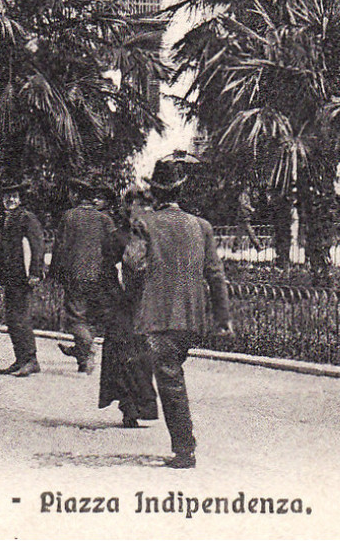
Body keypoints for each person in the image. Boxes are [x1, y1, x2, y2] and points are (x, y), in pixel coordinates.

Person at [123, 154, 232, 469]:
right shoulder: (202, 226)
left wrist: (135, 292)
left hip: (159, 315)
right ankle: (185, 443)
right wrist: (222, 318)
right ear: (180, 191)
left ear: (155, 193)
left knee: (169, 377)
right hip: (193, 317)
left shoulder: (144, 224)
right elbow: (216, 275)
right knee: (172, 370)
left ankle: (185, 449)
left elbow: (132, 263)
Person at [99, 188, 158, 428]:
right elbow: (105, 270)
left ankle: (142, 406)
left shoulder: (154, 236)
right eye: (137, 206)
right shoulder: (118, 237)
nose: (142, 211)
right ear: (128, 208)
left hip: (148, 305)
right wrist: (117, 296)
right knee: (123, 355)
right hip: (124, 305)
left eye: (146, 206)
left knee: (143, 356)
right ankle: (128, 407)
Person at [49, 180, 117, 373]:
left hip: (75, 276)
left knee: (76, 319)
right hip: (99, 277)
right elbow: (113, 250)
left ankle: (87, 349)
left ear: (76, 196)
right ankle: (82, 355)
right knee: (91, 318)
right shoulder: (105, 220)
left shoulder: (69, 216)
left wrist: (54, 274)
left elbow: (59, 248)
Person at [0, 181, 46, 376]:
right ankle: (20, 359)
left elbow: (38, 246)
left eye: (14, 196)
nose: (10, 200)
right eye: (7, 196)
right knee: (12, 319)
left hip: (23, 276)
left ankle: (31, 359)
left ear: (20, 199)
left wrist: (35, 272)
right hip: (10, 276)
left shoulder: (27, 218)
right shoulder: (6, 219)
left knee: (20, 317)